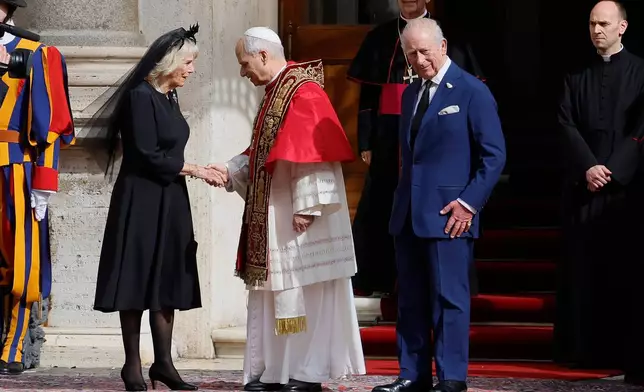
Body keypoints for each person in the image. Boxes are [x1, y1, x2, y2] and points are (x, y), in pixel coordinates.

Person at [210, 26, 366, 392]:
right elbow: (263, 154)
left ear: (263, 55)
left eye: (244, 63)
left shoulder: (302, 91)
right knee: (274, 293)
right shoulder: (274, 93)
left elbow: (316, 151)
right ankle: (274, 372)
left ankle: (306, 373)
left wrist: (309, 205)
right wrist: (230, 171)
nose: (242, 72)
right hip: (276, 212)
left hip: (299, 218)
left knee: (305, 294)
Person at [372, 18, 505, 392]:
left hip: (451, 216)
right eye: (412, 53)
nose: (419, 59)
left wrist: (468, 204)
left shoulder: (470, 91)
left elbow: (493, 156)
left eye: (425, 51)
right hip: (410, 214)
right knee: (410, 301)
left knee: (450, 300)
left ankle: (450, 377)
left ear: (443, 46)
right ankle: (412, 374)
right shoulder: (411, 94)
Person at [91, 25, 222, 391]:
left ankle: (163, 364)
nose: (192, 70)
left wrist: (196, 169)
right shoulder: (139, 96)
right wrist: (195, 168)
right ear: (169, 63)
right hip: (141, 199)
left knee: (167, 278)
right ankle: (132, 367)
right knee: (136, 279)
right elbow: (146, 154)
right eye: (189, 62)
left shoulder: (169, 97)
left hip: (171, 198)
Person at [346, 0, 484, 297]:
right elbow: (369, 96)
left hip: (435, 135)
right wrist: (366, 140)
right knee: (383, 205)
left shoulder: (448, 37)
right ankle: (376, 279)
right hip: (388, 137)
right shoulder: (379, 37)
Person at [554, 0, 644, 374]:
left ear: (622, 27)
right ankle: (584, 350)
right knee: (584, 271)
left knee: (626, 272)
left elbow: (641, 129)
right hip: (584, 188)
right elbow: (565, 123)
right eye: (592, 24)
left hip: (628, 192)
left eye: (604, 24)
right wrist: (589, 166)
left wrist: (614, 169)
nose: (597, 30)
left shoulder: (641, 70)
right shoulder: (576, 74)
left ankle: (626, 353)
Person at [0, 0, 75, 375]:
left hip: (15, 170)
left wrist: (43, 184)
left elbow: (49, 130)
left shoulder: (37, 54)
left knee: (22, 264)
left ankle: (14, 347)